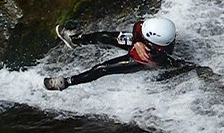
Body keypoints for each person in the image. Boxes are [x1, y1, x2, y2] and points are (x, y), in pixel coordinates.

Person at [43, 17, 178, 90]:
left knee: (102, 69)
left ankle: (66, 82)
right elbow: (138, 26)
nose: (142, 27)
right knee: (104, 36)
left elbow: (137, 55)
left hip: (140, 60)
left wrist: (137, 46)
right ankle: (75, 40)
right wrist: (137, 42)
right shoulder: (152, 29)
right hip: (142, 43)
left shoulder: (153, 55)